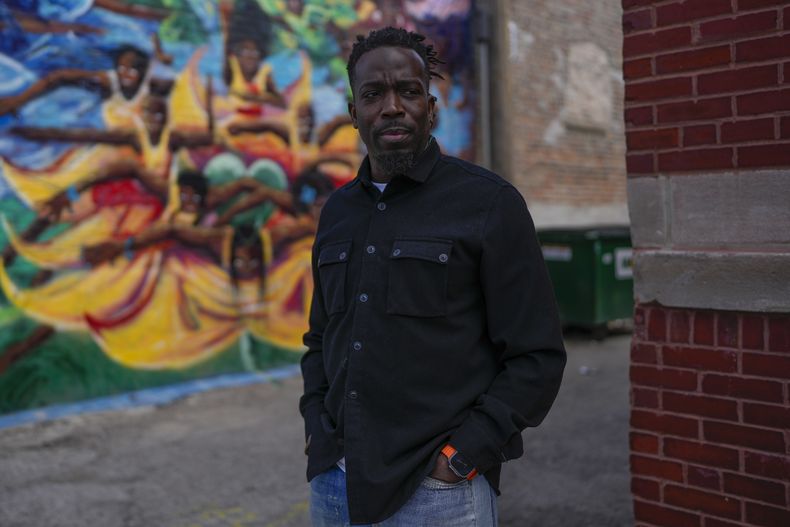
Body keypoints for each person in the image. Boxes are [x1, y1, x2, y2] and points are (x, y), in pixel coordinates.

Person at [300, 27, 567, 526]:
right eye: (373, 94)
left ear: (431, 107)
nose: (392, 107)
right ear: (354, 113)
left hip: (439, 492)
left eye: (408, 91)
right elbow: (321, 339)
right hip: (336, 483)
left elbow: (537, 356)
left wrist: (463, 456)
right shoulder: (337, 212)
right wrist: (317, 427)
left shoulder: (489, 204)